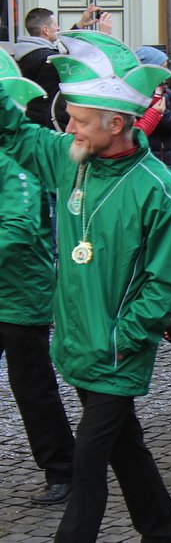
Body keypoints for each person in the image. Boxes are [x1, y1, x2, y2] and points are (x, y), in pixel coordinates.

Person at [0, 32, 171, 542]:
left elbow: (168, 282)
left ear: (117, 122)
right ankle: (161, 530)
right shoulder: (72, 156)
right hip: (79, 345)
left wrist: (121, 337)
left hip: (117, 351)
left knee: (88, 462)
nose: (68, 128)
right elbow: (17, 136)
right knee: (126, 447)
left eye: (80, 120)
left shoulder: (159, 188)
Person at [0, 59, 75, 505]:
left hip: (21, 294)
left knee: (32, 385)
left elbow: (21, 227)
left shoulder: (19, 155)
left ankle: (62, 467)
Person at [14, 4, 110, 131]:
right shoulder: (49, 60)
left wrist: (80, 24)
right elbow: (85, 68)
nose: (58, 28)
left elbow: (63, 51)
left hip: (32, 121)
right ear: (45, 30)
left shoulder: (27, 54)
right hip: (47, 127)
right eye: (55, 24)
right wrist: (103, 38)